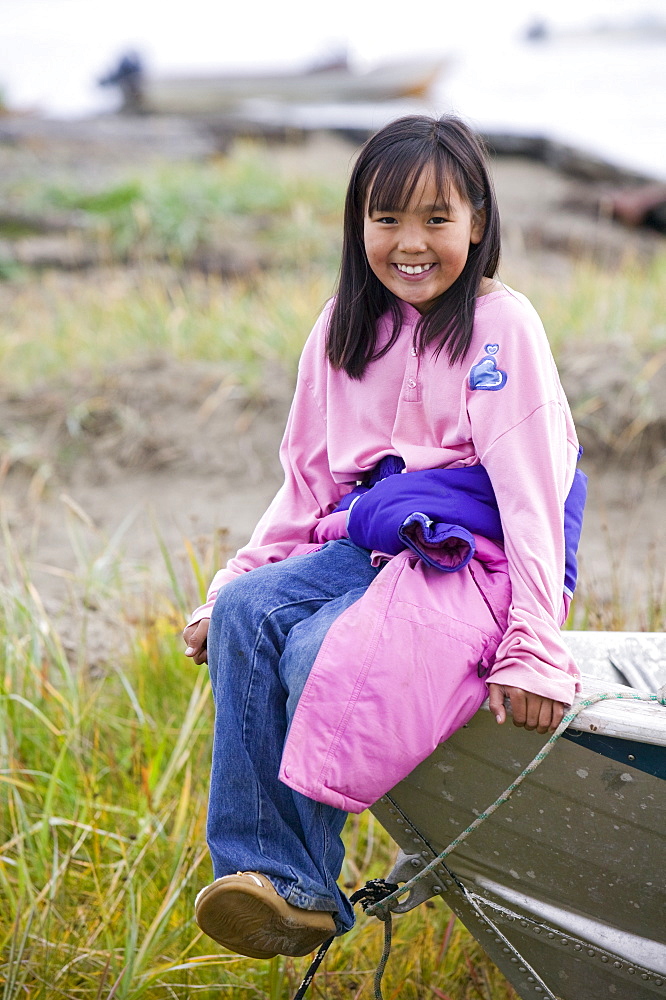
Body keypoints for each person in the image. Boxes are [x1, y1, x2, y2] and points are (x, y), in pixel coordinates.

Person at [182, 114, 584, 961]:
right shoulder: (340, 329)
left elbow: (534, 496)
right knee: (249, 615)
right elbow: (306, 482)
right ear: (357, 222)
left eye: (437, 220)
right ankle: (267, 876)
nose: (411, 244)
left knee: (323, 650)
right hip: (362, 540)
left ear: (477, 220)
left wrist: (536, 641)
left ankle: (305, 885)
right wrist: (231, 583)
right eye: (388, 219)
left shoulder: (501, 326)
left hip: (471, 557)